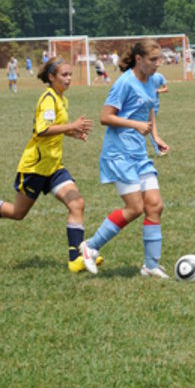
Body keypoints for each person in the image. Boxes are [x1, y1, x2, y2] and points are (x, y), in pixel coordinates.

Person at [80, 39, 170, 279]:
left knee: (155, 205)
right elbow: (105, 117)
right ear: (138, 59)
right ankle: (90, 246)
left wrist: (155, 137)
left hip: (139, 154)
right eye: (153, 60)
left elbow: (150, 108)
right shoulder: (124, 83)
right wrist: (134, 124)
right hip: (119, 154)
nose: (158, 64)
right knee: (135, 208)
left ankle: (150, 266)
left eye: (159, 59)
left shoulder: (152, 81)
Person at [0, 56, 97, 273]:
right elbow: (42, 130)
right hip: (35, 167)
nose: (69, 78)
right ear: (52, 77)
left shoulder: (61, 99)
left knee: (77, 204)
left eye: (70, 74)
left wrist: (73, 133)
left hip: (54, 167)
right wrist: (71, 126)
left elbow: (56, 128)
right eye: (64, 75)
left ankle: (75, 258)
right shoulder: (48, 99)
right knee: (17, 213)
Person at [149, 71, 168, 156]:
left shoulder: (159, 76)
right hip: (144, 104)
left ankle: (159, 150)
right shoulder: (145, 75)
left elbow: (166, 89)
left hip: (154, 105)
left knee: (151, 127)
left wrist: (157, 90)